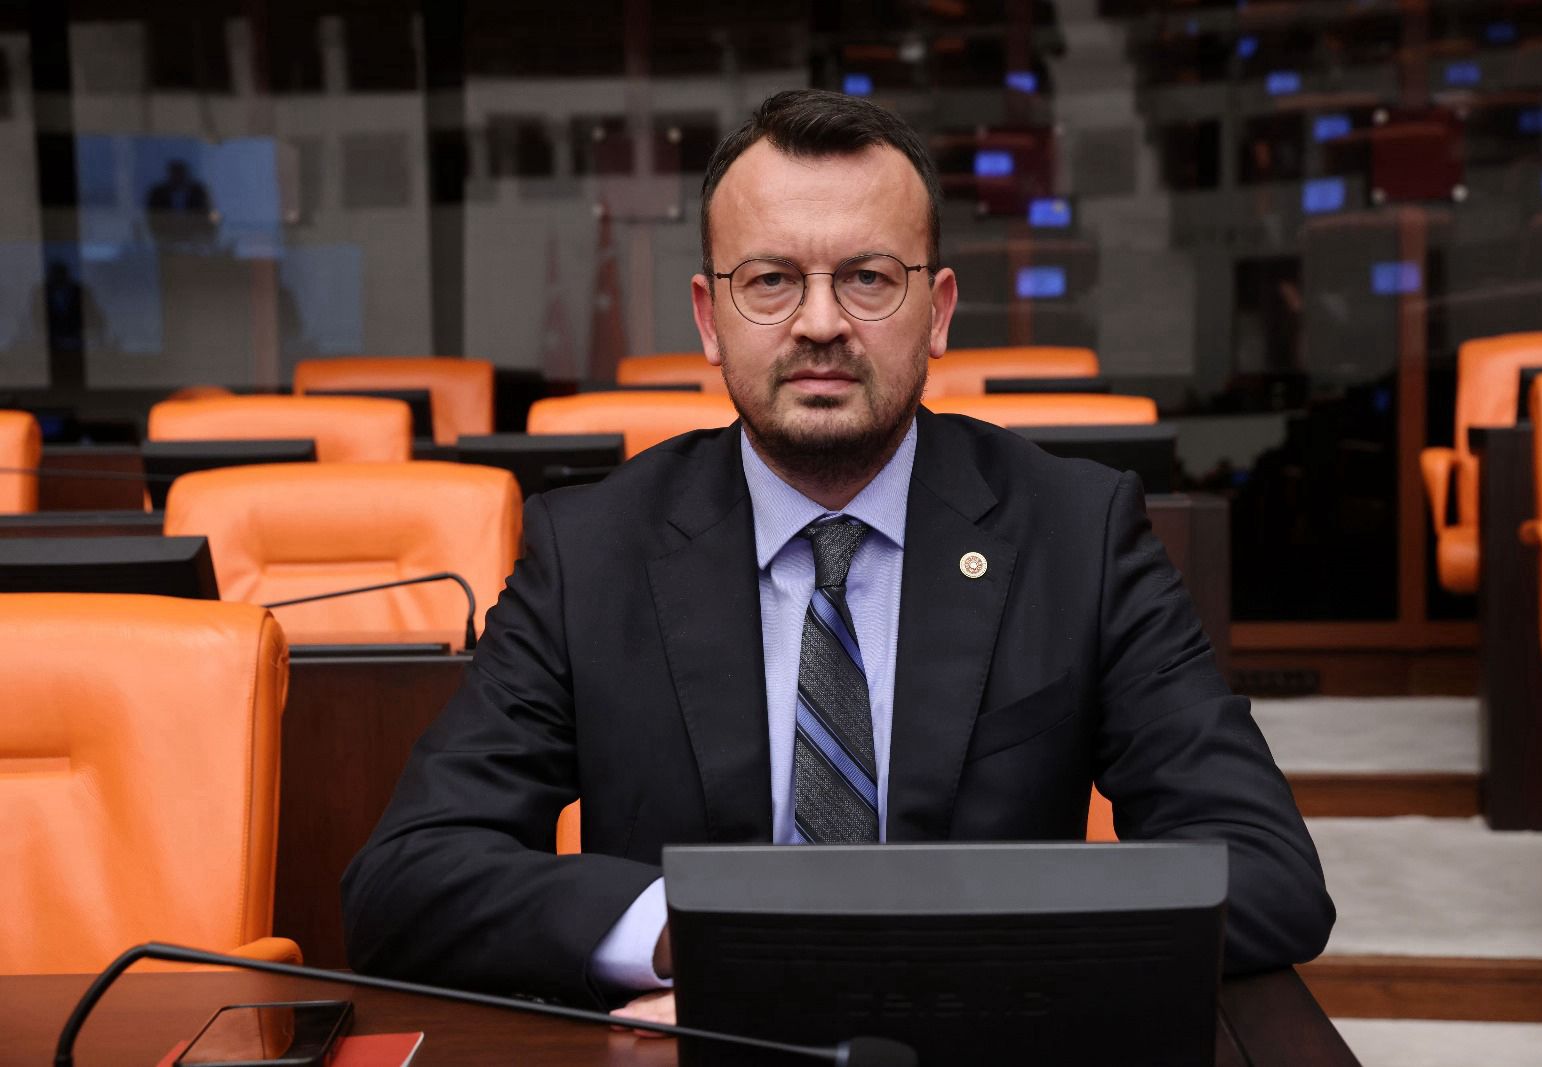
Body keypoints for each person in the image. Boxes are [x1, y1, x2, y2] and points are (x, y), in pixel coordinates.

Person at [342, 89, 1335, 1028]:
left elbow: (1266, 873)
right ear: (709, 318)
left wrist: (884, 965)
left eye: (868, 277)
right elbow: (406, 879)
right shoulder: (590, 551)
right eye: (771, 280)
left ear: (937, 310)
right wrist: (697, 937)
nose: (820, 323)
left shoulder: (1076, 532)